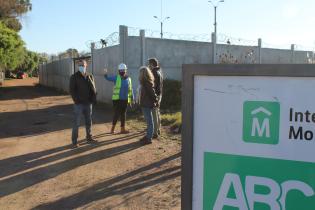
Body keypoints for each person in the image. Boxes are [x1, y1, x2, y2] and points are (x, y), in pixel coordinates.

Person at [69, 59, 97, 147]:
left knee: (89, 121)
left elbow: (93, 88)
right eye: (80, 65)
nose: (82, 67)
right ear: (78, 66)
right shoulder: (74, 77)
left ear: (86, 66)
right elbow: (71, 90)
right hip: (79, 104)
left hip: (88, 104)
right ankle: (74, 141)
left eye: (83, 65)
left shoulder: (90, 76)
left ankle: (89, 137)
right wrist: (76, 101)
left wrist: (93, 99)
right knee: (76, 123)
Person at [104, 63, 134, 134]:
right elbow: (107, 78)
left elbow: (130, 89)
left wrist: (132, 98)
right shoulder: (116, 78)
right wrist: (105, 73)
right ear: (118, 71)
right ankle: (112, 129)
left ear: (126, 70)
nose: (122, 71)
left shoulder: (129, 79)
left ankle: (122, 129)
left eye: (123, 70)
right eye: (121, 70)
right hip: (117, 100)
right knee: (116, 114)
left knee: (123, 114)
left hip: (125, 99)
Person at [138, 66, 158, 145]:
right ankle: (147, 136)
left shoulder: (147, 83)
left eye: (140, 73)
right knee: (148, 121)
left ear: (143, 74)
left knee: (150, 122)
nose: (139, 74)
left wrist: (156, 101)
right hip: (145, 104)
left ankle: (149, 138)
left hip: (147, 105)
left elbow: (152, 94)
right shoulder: (144, 82)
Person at [148, 58, 163, 139]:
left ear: (152, 64)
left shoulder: (153, 72)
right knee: (157, 112)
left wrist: (154, 96)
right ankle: (158, 129)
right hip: (159, 94)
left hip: (155, 95)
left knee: (154, 114)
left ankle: (155, 132)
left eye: (149, 64)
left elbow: (152, 86)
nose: (148, 66)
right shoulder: (159, 72)